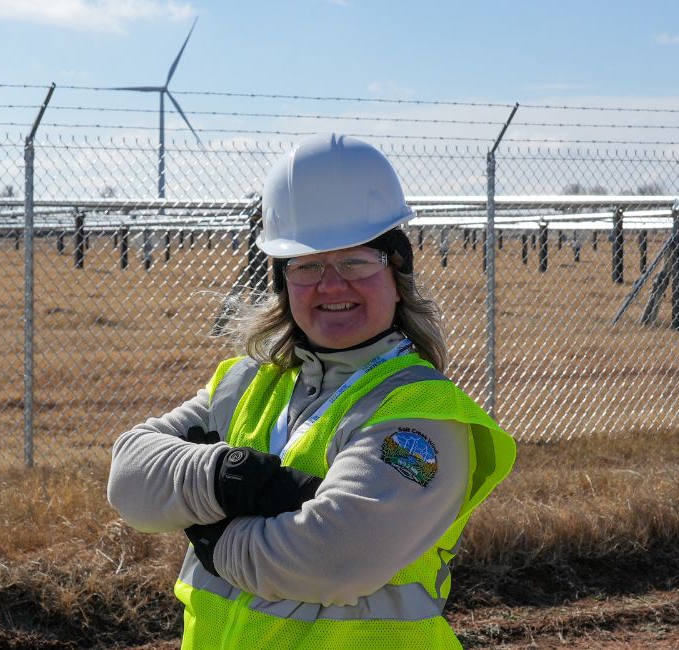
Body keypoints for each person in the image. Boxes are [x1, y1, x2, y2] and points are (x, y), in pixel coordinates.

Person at [107, 133, 516, 649]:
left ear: (396, 268)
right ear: (281, 280)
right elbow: (129, 477)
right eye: (307, 265)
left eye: (356, 261)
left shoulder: (421, 413)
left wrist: (209, 533)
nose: (331, 285)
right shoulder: (245, 383)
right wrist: (230, 479)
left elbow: (333, 559)